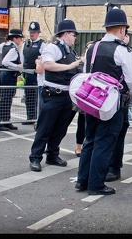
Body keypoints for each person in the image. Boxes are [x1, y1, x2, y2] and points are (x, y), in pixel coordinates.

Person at [76, 7, 132, 195]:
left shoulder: (93, 47)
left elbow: (87, 74)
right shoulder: (122, 51)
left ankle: (82, 180)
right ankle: (96, 185)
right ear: (122, 29)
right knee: (104, 143)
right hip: (112, 104)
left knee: (90, 140)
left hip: (92, 100)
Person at [29, 19, 83, 171]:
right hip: (53, 95)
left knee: (60, 129)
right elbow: (47, 65)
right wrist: (71, 65)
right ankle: (35, 157)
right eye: (73, 35)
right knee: (44, 128)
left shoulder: (70, 51)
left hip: (66, 96)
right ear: (66, 34)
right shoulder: (52, 48)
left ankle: (52, 154)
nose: (75, 38)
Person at [105, 30, 132, 182]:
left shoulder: (128, 52)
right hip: (113, 97)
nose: (125, 37)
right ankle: (109, 167)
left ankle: (114, 167)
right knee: (109, 135)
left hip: (120, 99)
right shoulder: (116, 49)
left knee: (116, 135)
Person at [0, 29, 24, 131]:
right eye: (20, 38)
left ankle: (6, 121)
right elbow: (5, 62)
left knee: (7, 98)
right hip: (8, 75)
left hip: (4, 75)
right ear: (15, 38)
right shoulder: (13, 49)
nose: (21, 40)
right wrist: (17, 66)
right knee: (5, 99)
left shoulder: (5, 46)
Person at [69, 40, 94, 157]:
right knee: (70, 119)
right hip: (78, 94)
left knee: (84, 121)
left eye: (91, 48)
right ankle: (78, 146)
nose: (89, 49)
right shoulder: (80, 61)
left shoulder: (94, 61)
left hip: (89, 95)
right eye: (87, 47)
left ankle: (81, 146)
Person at [20, 21, 47, 124]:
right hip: (28, 73)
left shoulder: (42, 44)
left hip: (37, 74)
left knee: (37, 97)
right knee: (28, 96)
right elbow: (22, 58)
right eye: (31, 32)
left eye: (34, 32)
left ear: (38, 33)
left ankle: (37, 117)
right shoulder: (25, 43)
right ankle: (30, 117)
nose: (32, 34)